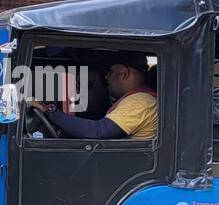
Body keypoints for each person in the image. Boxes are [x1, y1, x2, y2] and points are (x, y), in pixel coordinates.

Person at [29, 53, 158, 140]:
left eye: (110, 72)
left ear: (123, 73)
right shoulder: (139, 99)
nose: (106, 77)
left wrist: (48, 110)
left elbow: (97, 131)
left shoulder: (140, 102)